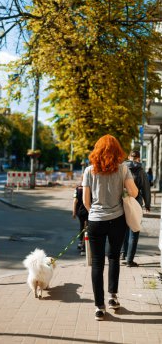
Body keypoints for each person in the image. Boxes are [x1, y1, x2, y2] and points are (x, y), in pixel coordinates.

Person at [82, 134, 138, 321]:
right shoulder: (123, 169)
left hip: (96, 221)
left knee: (97, 263)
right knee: (114, 257)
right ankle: (113, 297)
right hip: (117, 220)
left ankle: (99, 306)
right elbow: (134, 192)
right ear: (117, 151)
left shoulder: (89, 171)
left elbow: (85, 201)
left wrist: (95, 214)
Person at [121, 150, 151, 267]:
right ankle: (129, 260)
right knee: (134, 229)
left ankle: (123, 253)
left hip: (122, 201)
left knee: (124, 228)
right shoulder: (141, 171)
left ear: (128, 157)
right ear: (138, 158)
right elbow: (146, 189)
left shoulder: (121, 169)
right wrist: (147, 204)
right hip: (135, 203)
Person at [72, 179, 88, 255]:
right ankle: (84, 248)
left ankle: (80, 243)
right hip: (88, 210)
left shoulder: (77, 189)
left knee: (82, 227)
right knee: (87, 229)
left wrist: (74, 212)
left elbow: (75, 201)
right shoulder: (89, 187)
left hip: (80, 212)